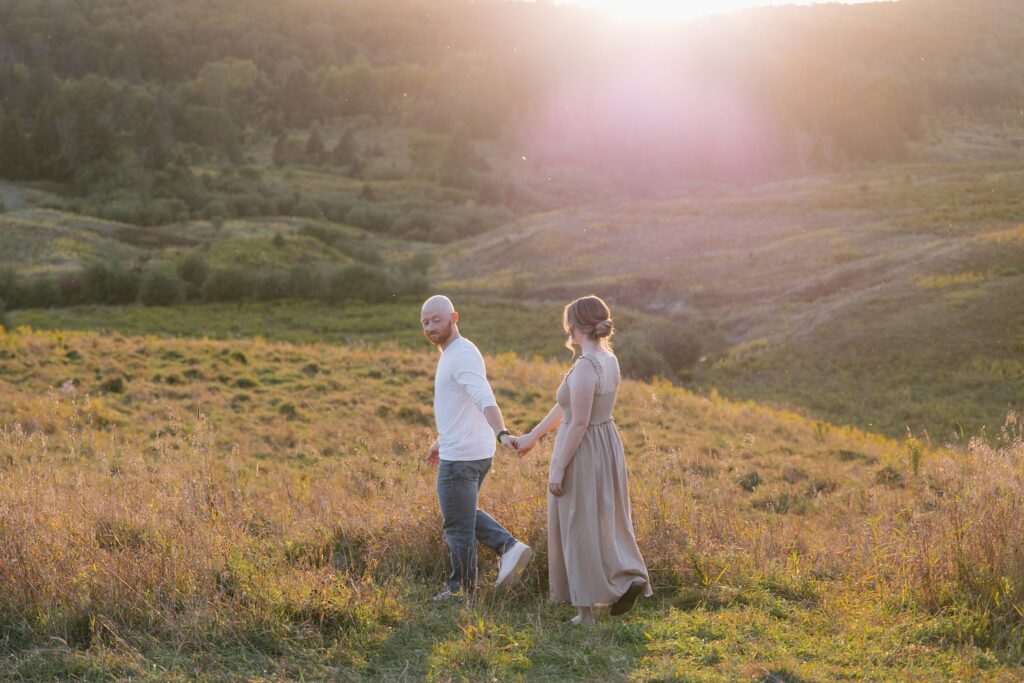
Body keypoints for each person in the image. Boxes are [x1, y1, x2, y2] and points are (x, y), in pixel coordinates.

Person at [513, 295, 651, 625]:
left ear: (574, 326)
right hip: (606, 443)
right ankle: (625, 578)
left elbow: (578, 421)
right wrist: (534, 436)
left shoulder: (587, 366)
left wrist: (559, 467)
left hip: (584, 447)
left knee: (577, 524)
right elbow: (568, 407)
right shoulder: (608, 359)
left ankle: (586, 611)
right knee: (606, 518)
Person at [420, 295, 533, 602]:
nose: (430, 327)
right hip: (469, 450)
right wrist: (439, 441)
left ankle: (462, 590)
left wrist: (502, 433)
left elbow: (484, 397)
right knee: (462, 512)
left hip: (463, 457)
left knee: (456, 524)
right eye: (425, 322)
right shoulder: (459, 352)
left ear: (454, 317)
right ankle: (509, 548)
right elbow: (461, 405)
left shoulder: (460, 355)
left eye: (436, 320)